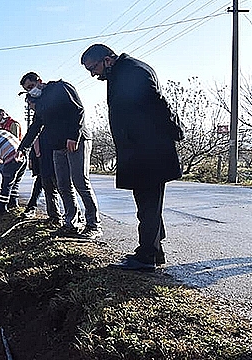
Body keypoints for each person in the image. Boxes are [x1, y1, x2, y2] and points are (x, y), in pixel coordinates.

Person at [81, 44, 184, 271]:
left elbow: (156, 103)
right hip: (140, 148)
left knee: (148, 202)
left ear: (107, 59)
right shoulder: (121, 72)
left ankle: (147, 256)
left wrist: (174, 130)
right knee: (147, 202)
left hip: (148, 149)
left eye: (93, 68)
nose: (92, 74)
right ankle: (153, 251)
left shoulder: (133, 70)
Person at [18, 72, 102, 239]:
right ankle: (72, 223)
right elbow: (36, 126)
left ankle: (93, 225)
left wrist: (73, 136)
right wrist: (23, 147)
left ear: (39, 81)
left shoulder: (60, 88)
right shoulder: (40, 103)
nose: (31, 91)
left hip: (77, 140)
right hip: (58, 146)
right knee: (63, 185)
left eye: (31, 86)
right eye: (27, 89)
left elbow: (77, 110)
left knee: (80, 182)